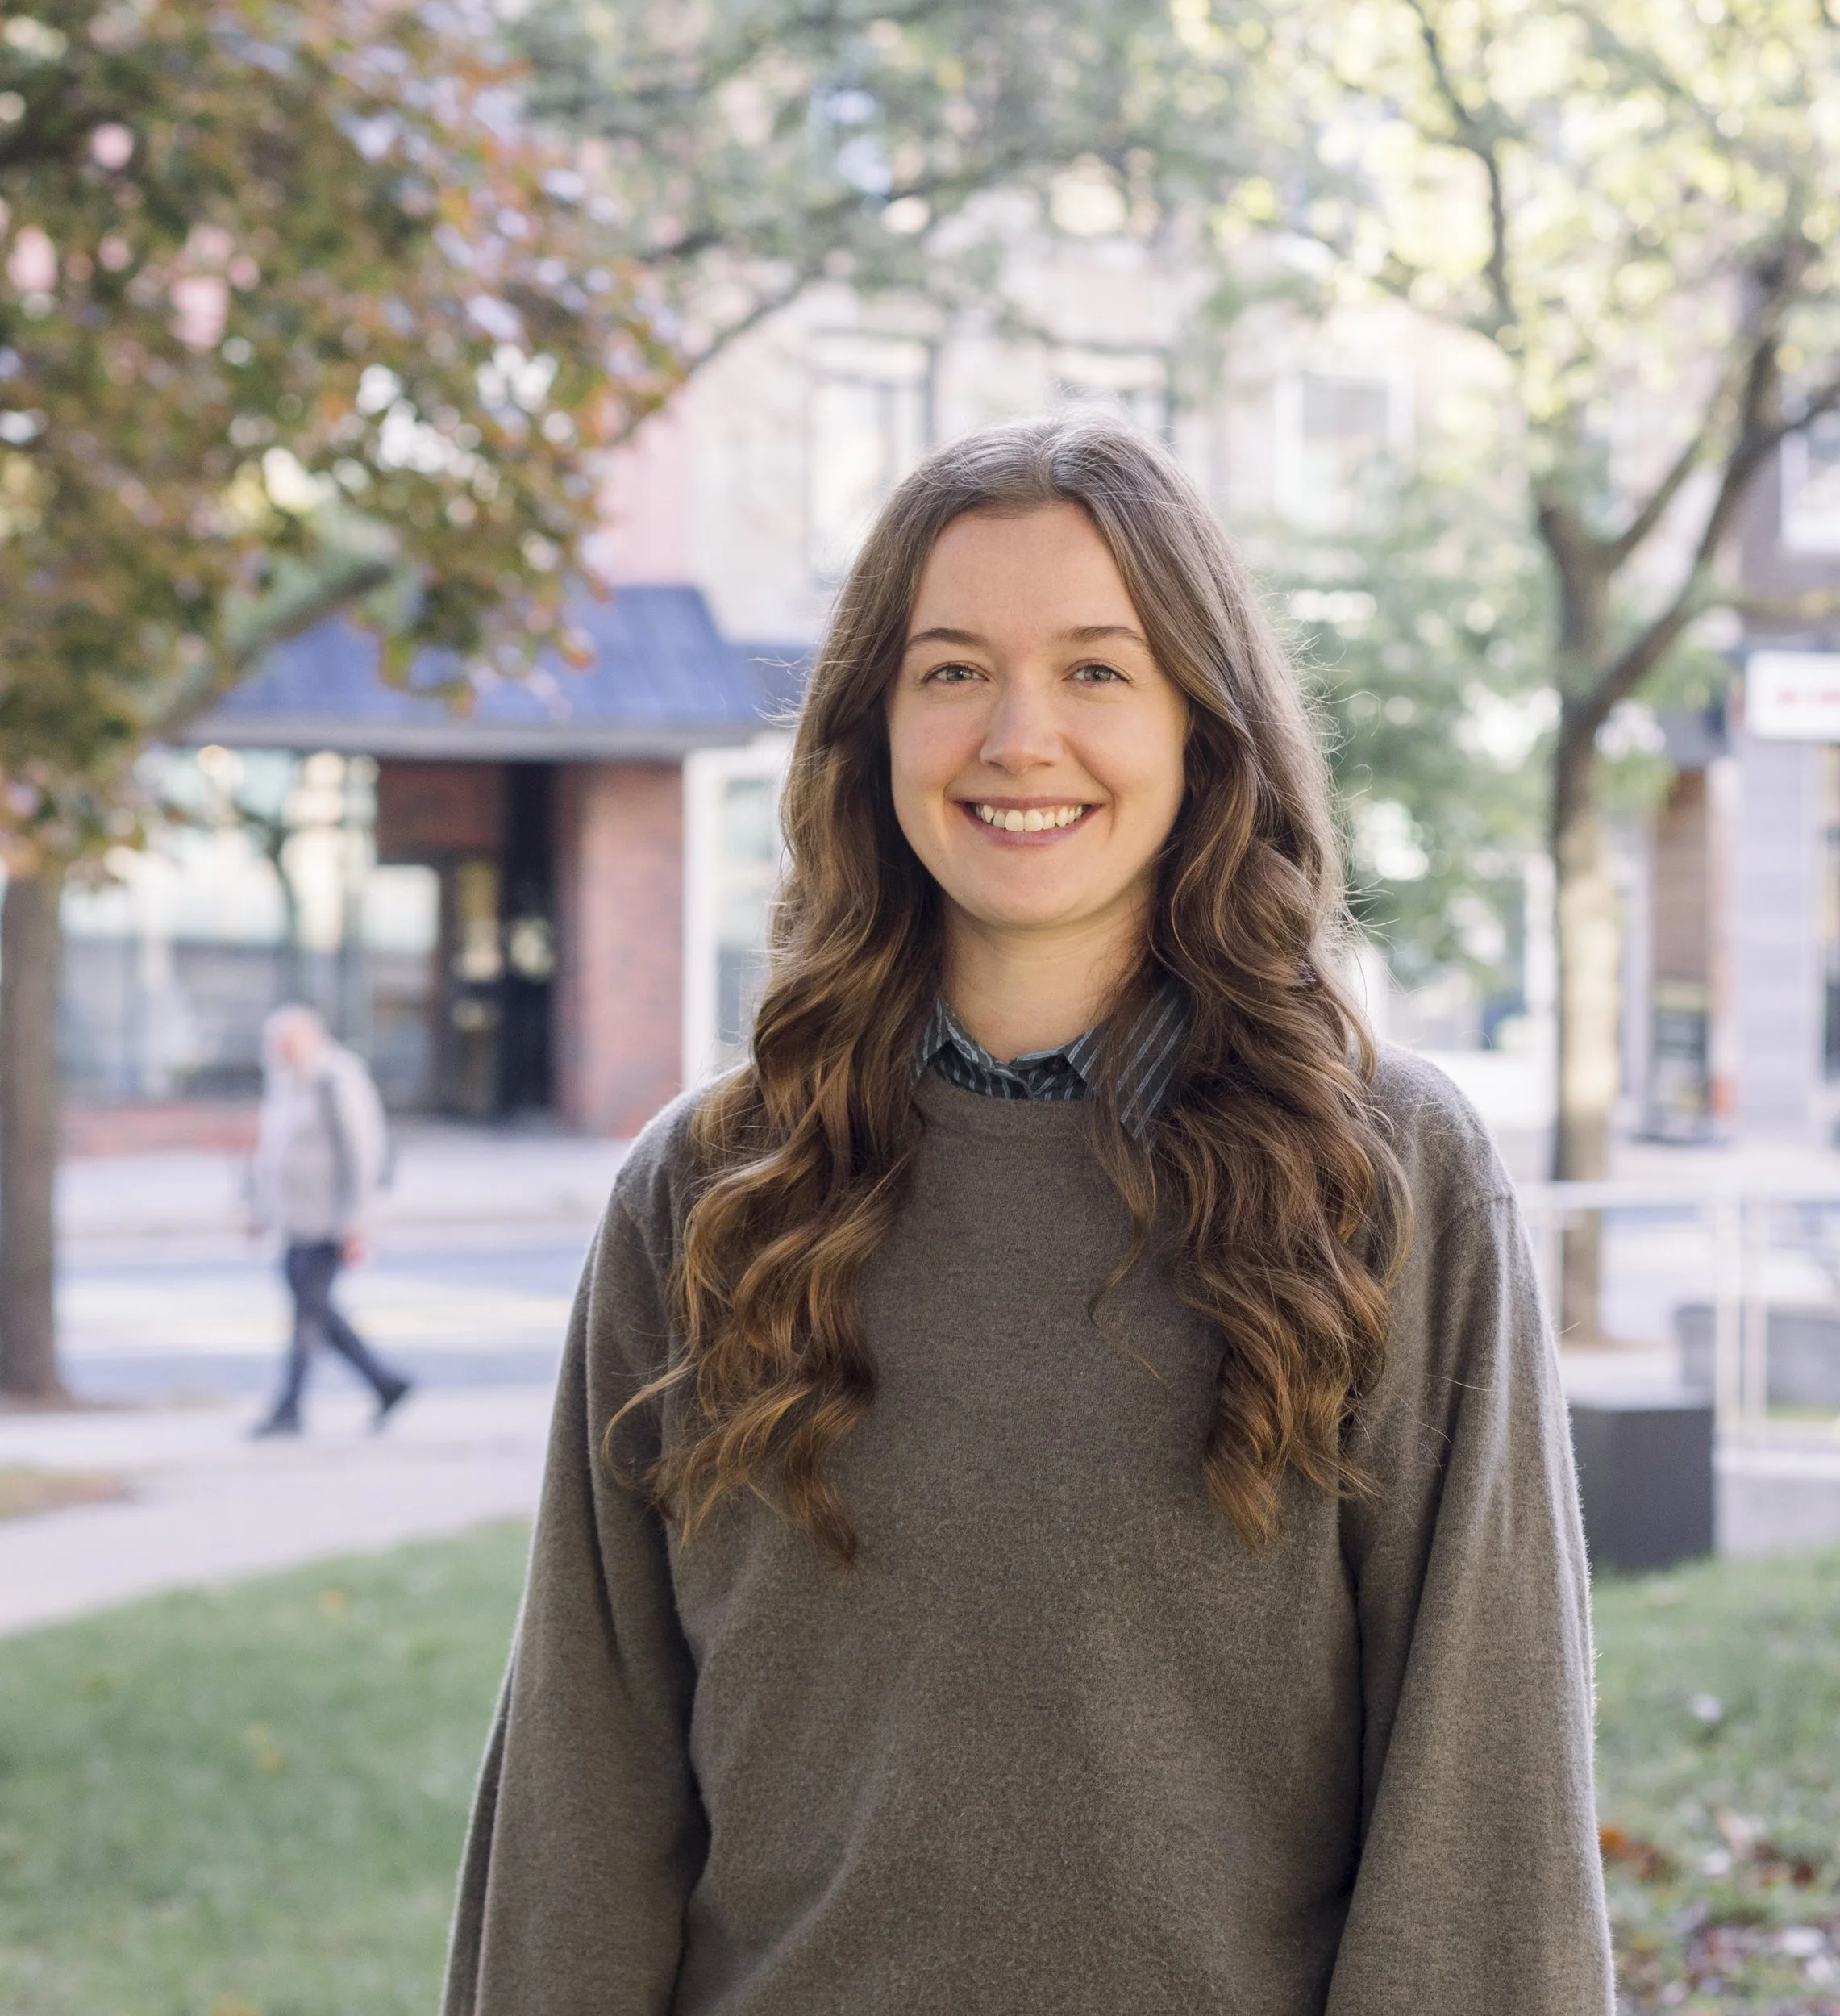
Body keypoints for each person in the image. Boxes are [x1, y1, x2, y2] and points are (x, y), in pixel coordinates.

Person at [445, 415, 1612, 2014]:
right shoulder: (704, 1194)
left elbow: (1484, 1813)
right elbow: (585, 1787)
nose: (1017, 735)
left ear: (1204, 728)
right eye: (949, 670)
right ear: (871, 726)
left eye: (1095, 668)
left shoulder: (1387, 1177)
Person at [248, 1003, 411, 1437]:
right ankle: (386, 1383)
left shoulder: (335, 1079)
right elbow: (272, 1154)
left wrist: (357, 1221)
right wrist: (262, 1211)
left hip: (330, 1222)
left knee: (307, 1316)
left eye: (289, 1043)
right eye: (276, 1045)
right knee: (319, 1315)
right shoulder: (285, 1084)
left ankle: (288, 1409)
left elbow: (364, 1153)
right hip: (294, 1222)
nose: (281, 1052)